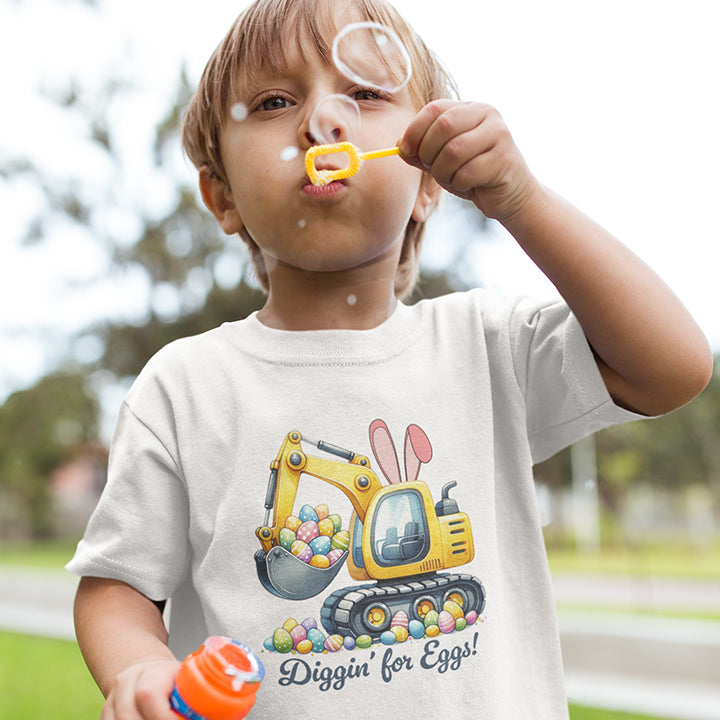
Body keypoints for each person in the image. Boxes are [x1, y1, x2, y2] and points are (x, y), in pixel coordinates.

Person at [67, 0, 713, 718]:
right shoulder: (185, 387)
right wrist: (140, 665)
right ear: (222, 196)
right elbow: (116, 583)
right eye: (276, 101)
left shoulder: (488, 345)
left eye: (365, 94)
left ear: (429, 182)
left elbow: (673, 367)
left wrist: (521, 200)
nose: (322, 121)